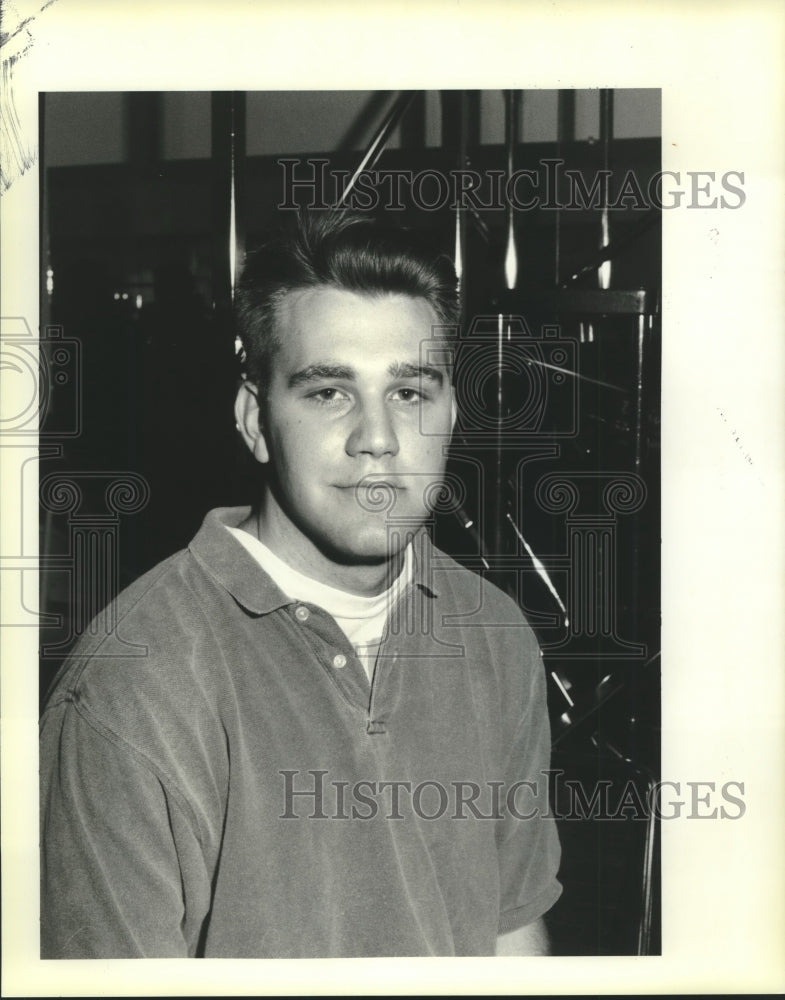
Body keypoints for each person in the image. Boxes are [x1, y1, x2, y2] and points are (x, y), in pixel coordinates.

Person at [39, 211, 562, 958]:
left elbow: (511, 926)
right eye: (328, 392)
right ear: (256, 420)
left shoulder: (493, 633)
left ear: (450, 412)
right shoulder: (135, 683)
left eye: (409, 392)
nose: (376, 437)